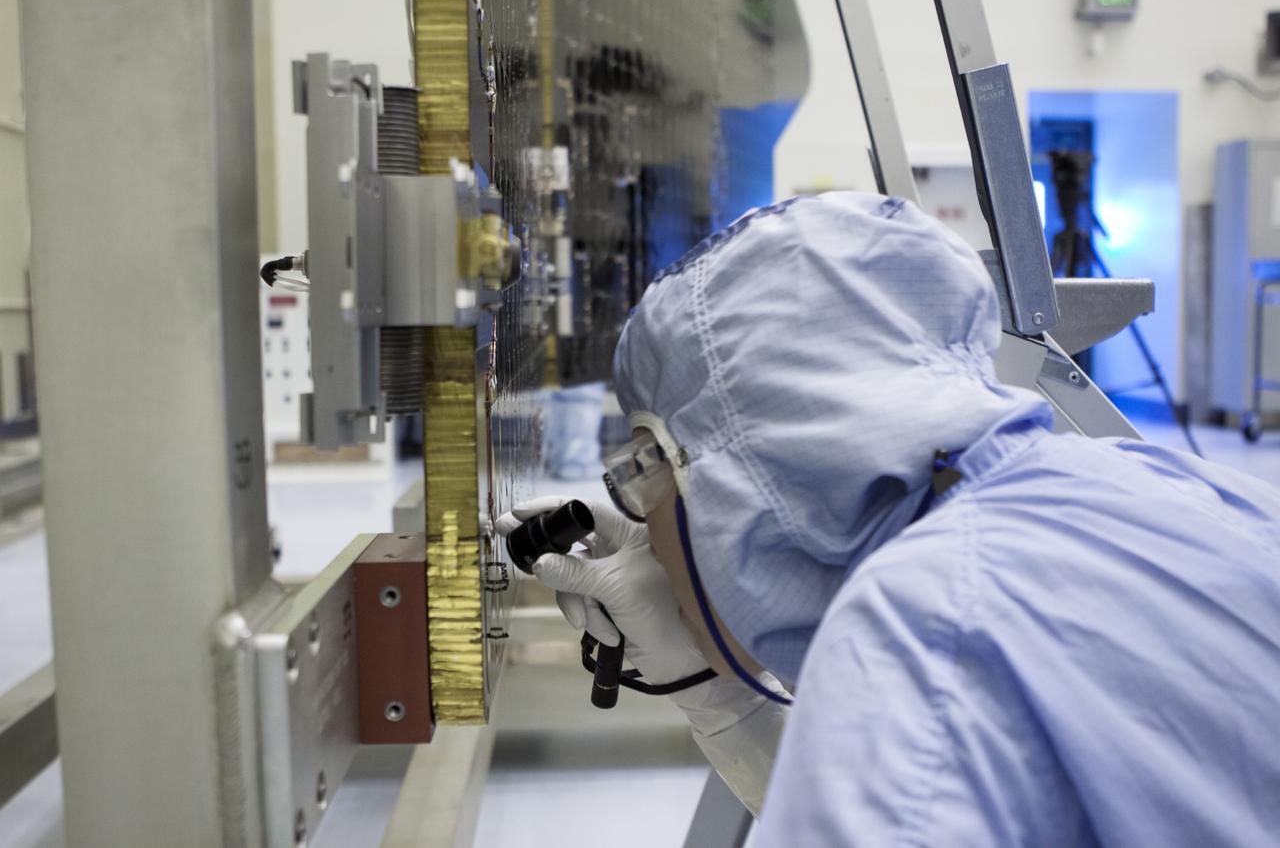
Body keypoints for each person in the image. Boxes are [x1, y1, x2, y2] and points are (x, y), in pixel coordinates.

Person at [496, 192, 1280, 845]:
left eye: (639, 470)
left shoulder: (916, 631)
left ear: (725, 470)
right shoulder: (1169, 481)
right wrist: (719, 694)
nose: (646, 529)